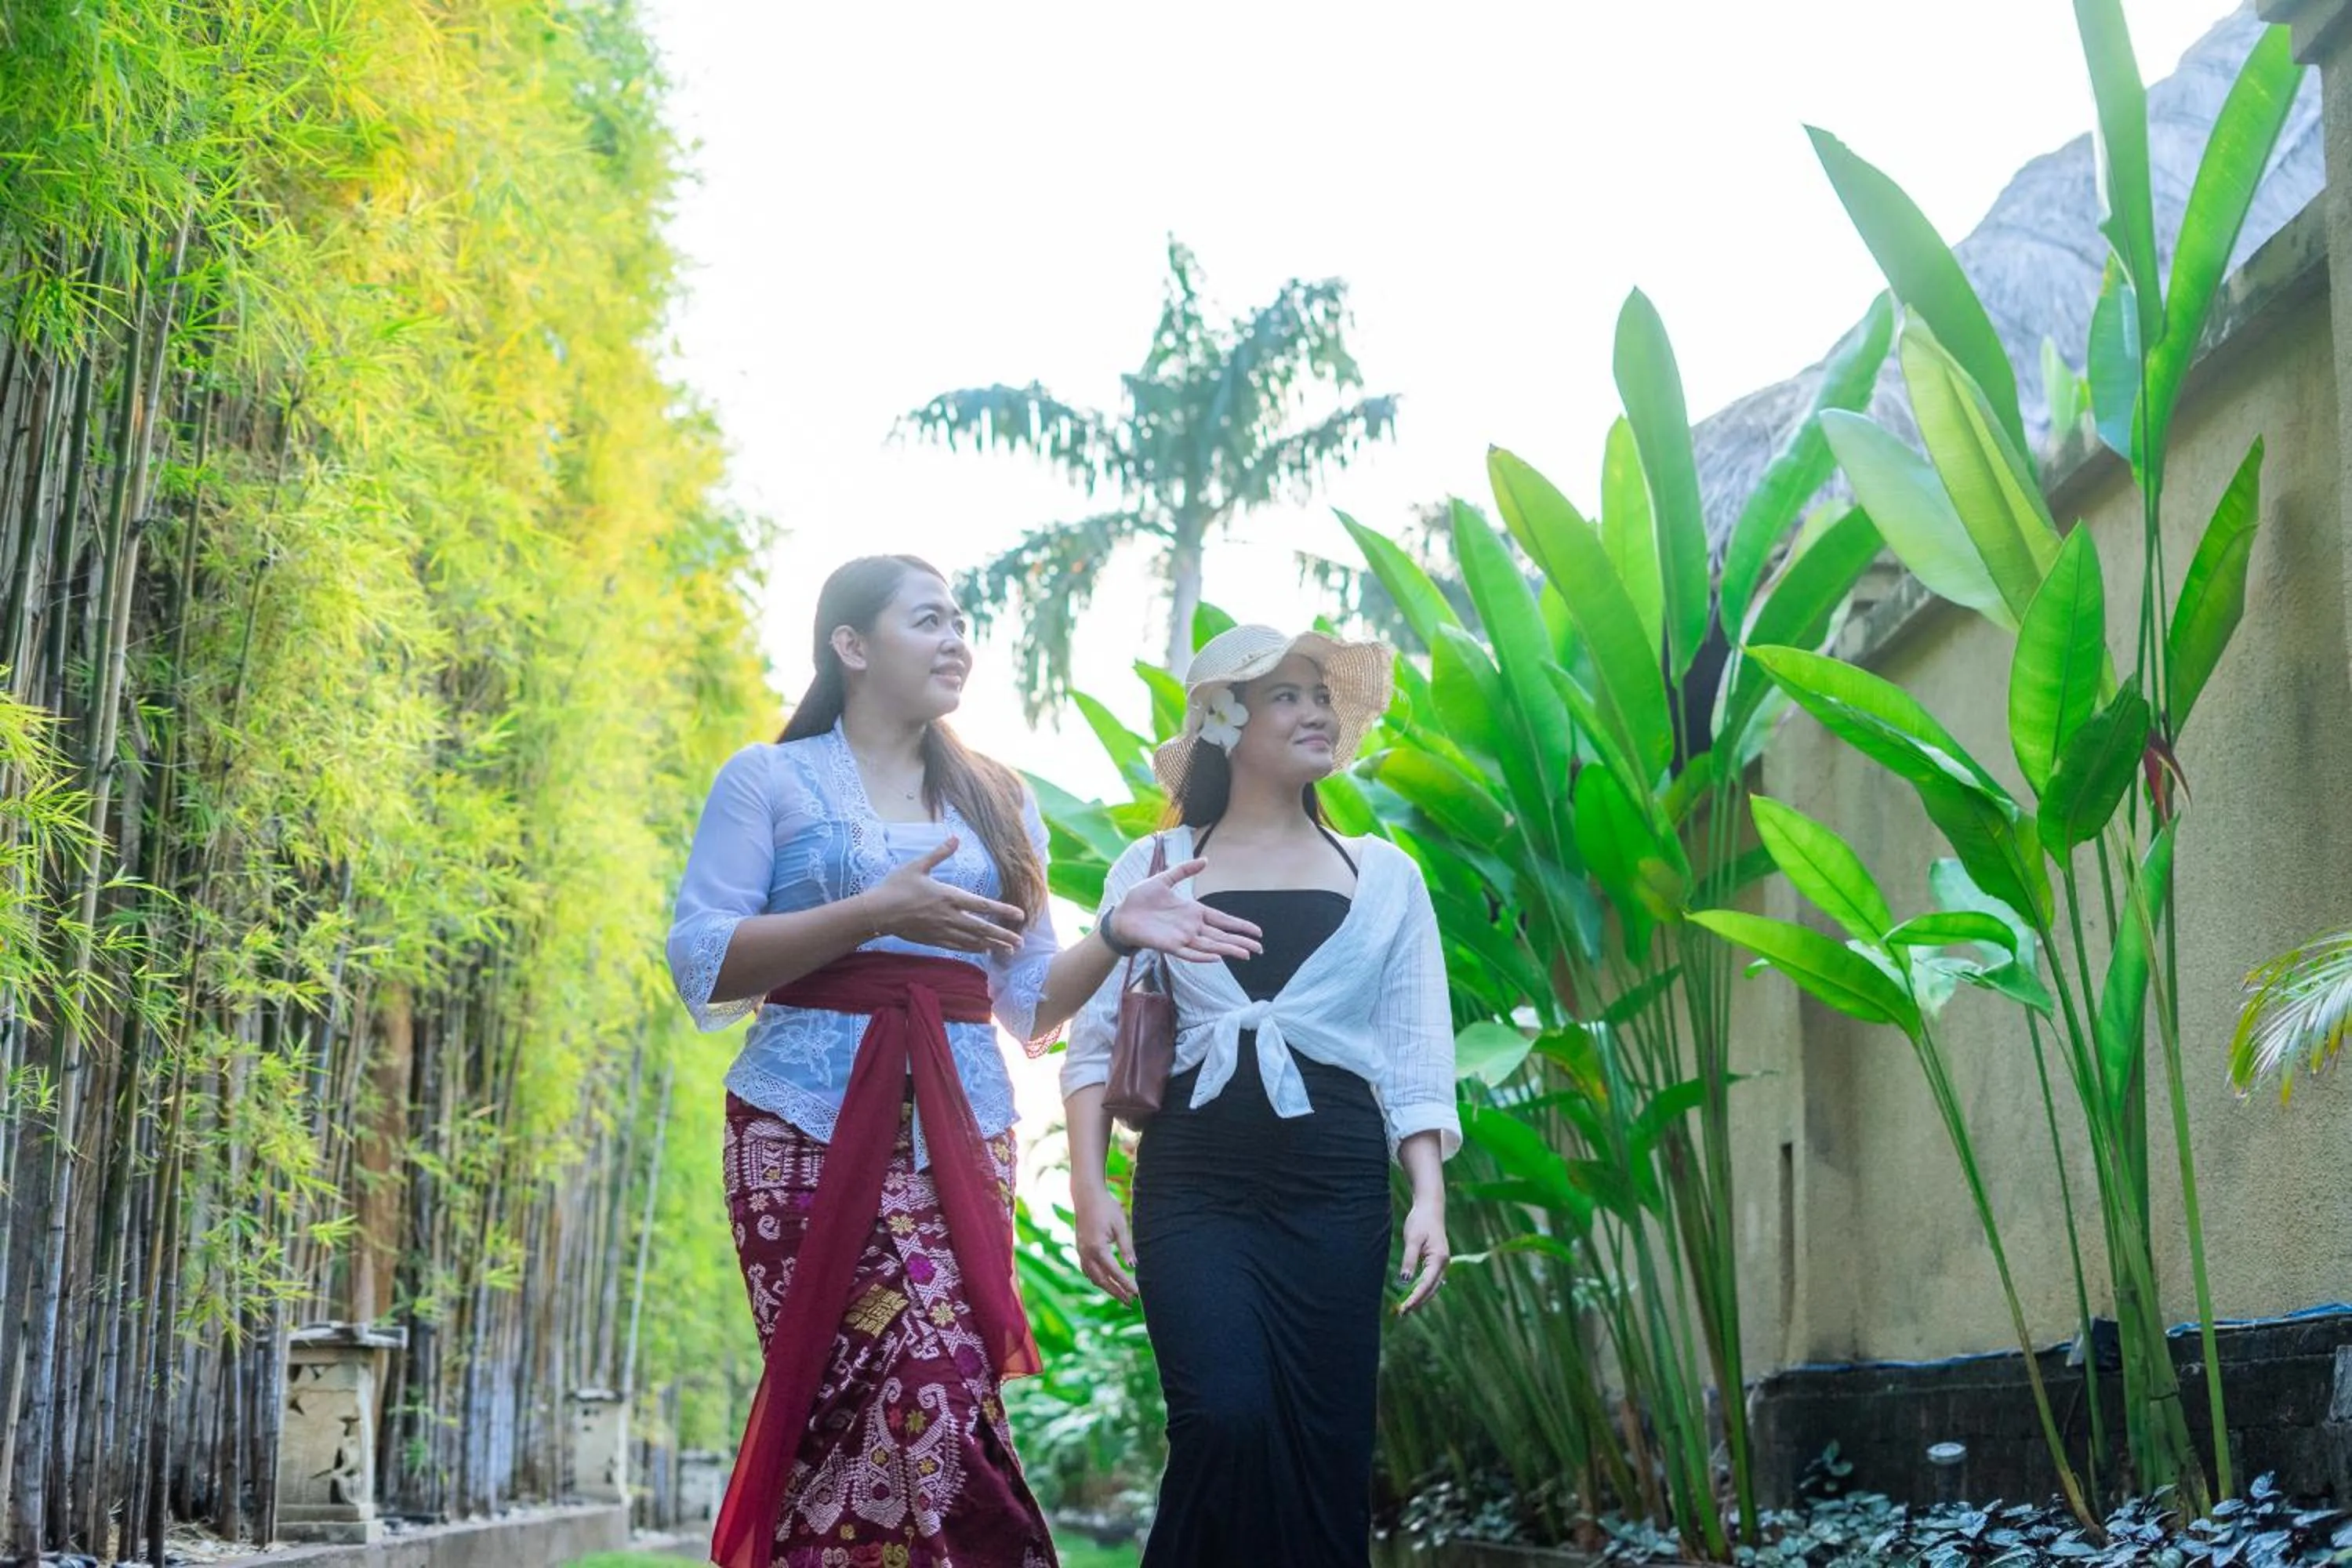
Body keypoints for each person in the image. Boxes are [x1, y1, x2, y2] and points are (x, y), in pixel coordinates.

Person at [666, 555, 1262, 1568]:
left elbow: (1026, 1000)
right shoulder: (769, 779)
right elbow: (701, 962)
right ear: (851, 647)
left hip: (960, 1123)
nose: (957, 640)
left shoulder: (997, 799)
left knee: (945, 1388)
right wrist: (873, 914)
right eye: (929, 620)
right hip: (798, 1123)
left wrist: (1118, 931)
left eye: (961, 621)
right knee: (867, 1392)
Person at [1061, 624, 1461, 1568]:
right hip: (1195, 1186)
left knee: (1326, 1450)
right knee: (1224, 1417)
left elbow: (1414, 1049)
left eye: (1321, 694)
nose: (1317, 710)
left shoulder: (1385, 876)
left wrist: (1431, 1197)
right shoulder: (1152, 867)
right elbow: (1094, 1039)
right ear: (1225, 722)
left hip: (1335, 1189)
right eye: (1287, 694)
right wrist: (1089, 1186)